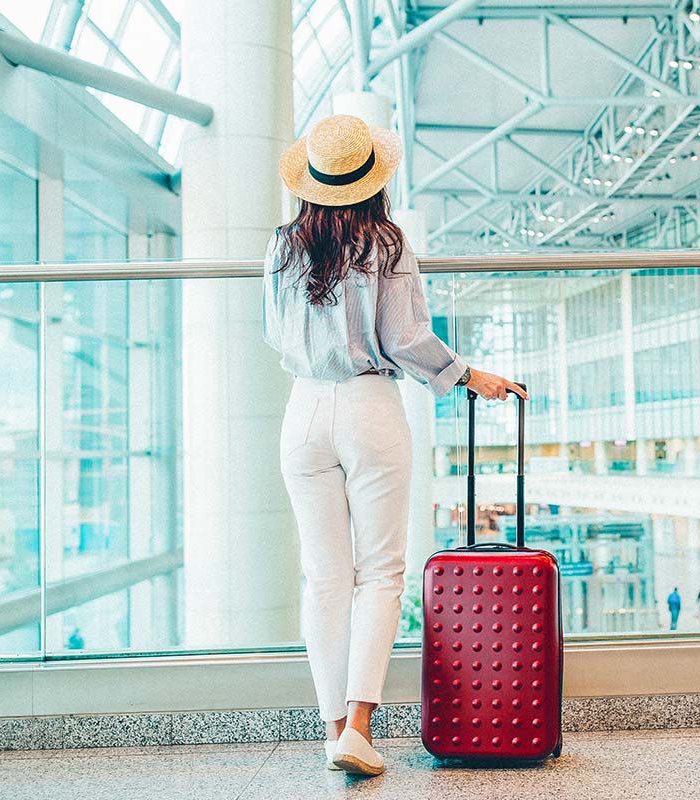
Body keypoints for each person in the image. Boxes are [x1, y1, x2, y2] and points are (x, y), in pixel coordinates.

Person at [264, 114, 525, 777]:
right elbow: (407, 340)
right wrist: (469, 374)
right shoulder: (386, 243)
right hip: (369, 406)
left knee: (324, 577)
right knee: (380, 573)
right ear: (371, 180)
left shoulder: (280, 247)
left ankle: (331, 731)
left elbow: (274, 334)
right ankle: (359, 725)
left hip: (302, 410)